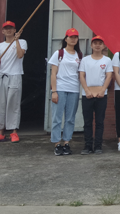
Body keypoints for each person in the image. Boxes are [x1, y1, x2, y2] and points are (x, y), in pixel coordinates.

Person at [0, 21, 27, 144]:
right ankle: (0, 132)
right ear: (3, 31)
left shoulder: (22, 42)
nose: (9, 30)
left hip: (15, 75)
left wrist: (16, 41)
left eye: (11, 28)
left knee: (13, 104)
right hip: (1, 76)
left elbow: (20, 55)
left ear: (15, 30)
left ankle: (13, 132)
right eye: (6, 28)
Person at [47, 28, 82, 156]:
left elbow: (80, 74)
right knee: (57, 118)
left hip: (74, 89)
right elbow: (53, 73)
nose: (73, 39)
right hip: (60, 88)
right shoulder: (59, 53)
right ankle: (57, 143)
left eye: (75, 37)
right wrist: (54, 91)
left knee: (70, 118)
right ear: (66, 38)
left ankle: (66, 142)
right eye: (70, 37)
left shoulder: (79, 55)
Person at [79, 36, 113, 155]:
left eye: (100, 43)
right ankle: (88, 146)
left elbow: (109, 76)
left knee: (99, 122)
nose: (97, 45)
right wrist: (87, 91)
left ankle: (98, 146)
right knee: (87, 122)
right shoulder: (85, 60)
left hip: (101, 95)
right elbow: (82, 76)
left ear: (104, 46)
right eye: (95, 43)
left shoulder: (107, 60)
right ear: (91, 45)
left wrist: (103, 90)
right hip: (87, 94)